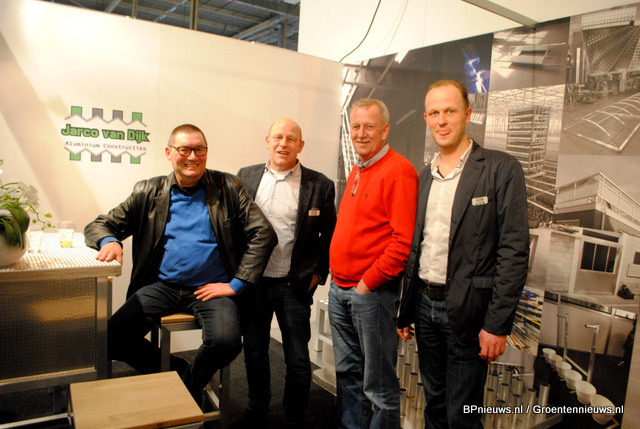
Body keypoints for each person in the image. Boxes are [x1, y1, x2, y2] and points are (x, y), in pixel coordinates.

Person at [85, 124, 277, 402]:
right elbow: (100, 225)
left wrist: (237, 284)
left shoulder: (228, 187)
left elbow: (264, 233)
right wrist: (109, 241)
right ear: (169, 152)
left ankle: (189, 386)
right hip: (162, 286)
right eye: (184, 149)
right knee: (111, 338)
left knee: (226, 342)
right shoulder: (147, 191)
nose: (193, 157)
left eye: (199, 149)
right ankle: (177, 371)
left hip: (211, 289)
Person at [397, 79, 530, 428]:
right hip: (425, 307)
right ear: (426, 119)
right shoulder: (425, 176)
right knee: (434, 406)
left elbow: (514, 251)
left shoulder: (500, 168)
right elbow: (419, 248)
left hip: (470, 312)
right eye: (434, 113)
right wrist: (406, 309)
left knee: (462, 414)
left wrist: (496, 324)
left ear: (468, 114)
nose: (441, 121)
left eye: (450, 111)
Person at [236, 117, 336, 427]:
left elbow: (329, 236)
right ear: (267, 141)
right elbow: (235, 227)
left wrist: (318, 275)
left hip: (294, 285)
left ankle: (295, 415)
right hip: (254, 283)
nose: (283, 143)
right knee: (254, 352)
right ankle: (257, 408)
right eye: (278, 137)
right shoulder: (246, 176)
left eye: (291, 139)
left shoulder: (320, 184)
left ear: (300, 146)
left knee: (298, 359)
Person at [329, 98, 418, 428]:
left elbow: (403, 242)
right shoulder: (359, 168)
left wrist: (367, 283)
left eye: (369, 126)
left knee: (379, 386)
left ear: (385, 130)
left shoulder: (399, 171)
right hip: (341, 289)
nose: (361, 133)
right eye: (355, 126)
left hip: (370, 294)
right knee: (348, 376)